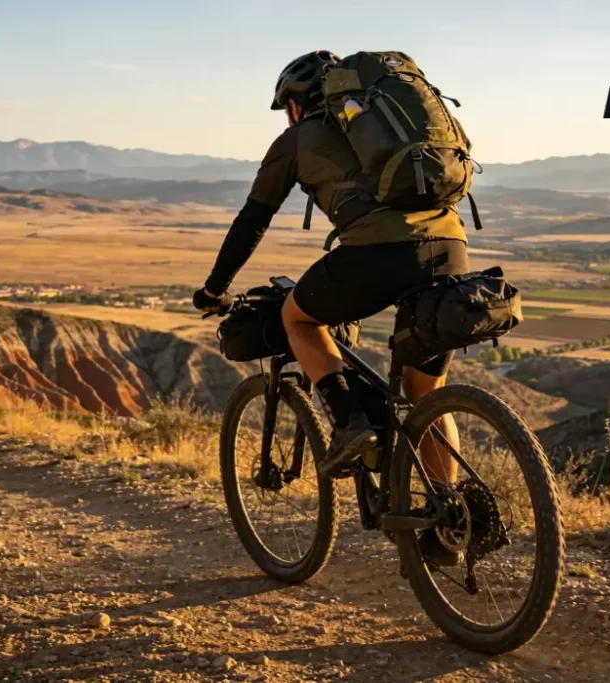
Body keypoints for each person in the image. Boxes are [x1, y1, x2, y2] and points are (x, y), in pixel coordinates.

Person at [193, 50, 470, 495]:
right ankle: (449, 522)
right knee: (427, 398)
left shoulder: (299, 138)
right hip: (450, 250)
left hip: (377, 254)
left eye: (287, 108)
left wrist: (214, 288)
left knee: (297, 317)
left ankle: (351, 423)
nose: (288, 116)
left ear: (297, 103)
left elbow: (253, 218)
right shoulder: (392, 124)